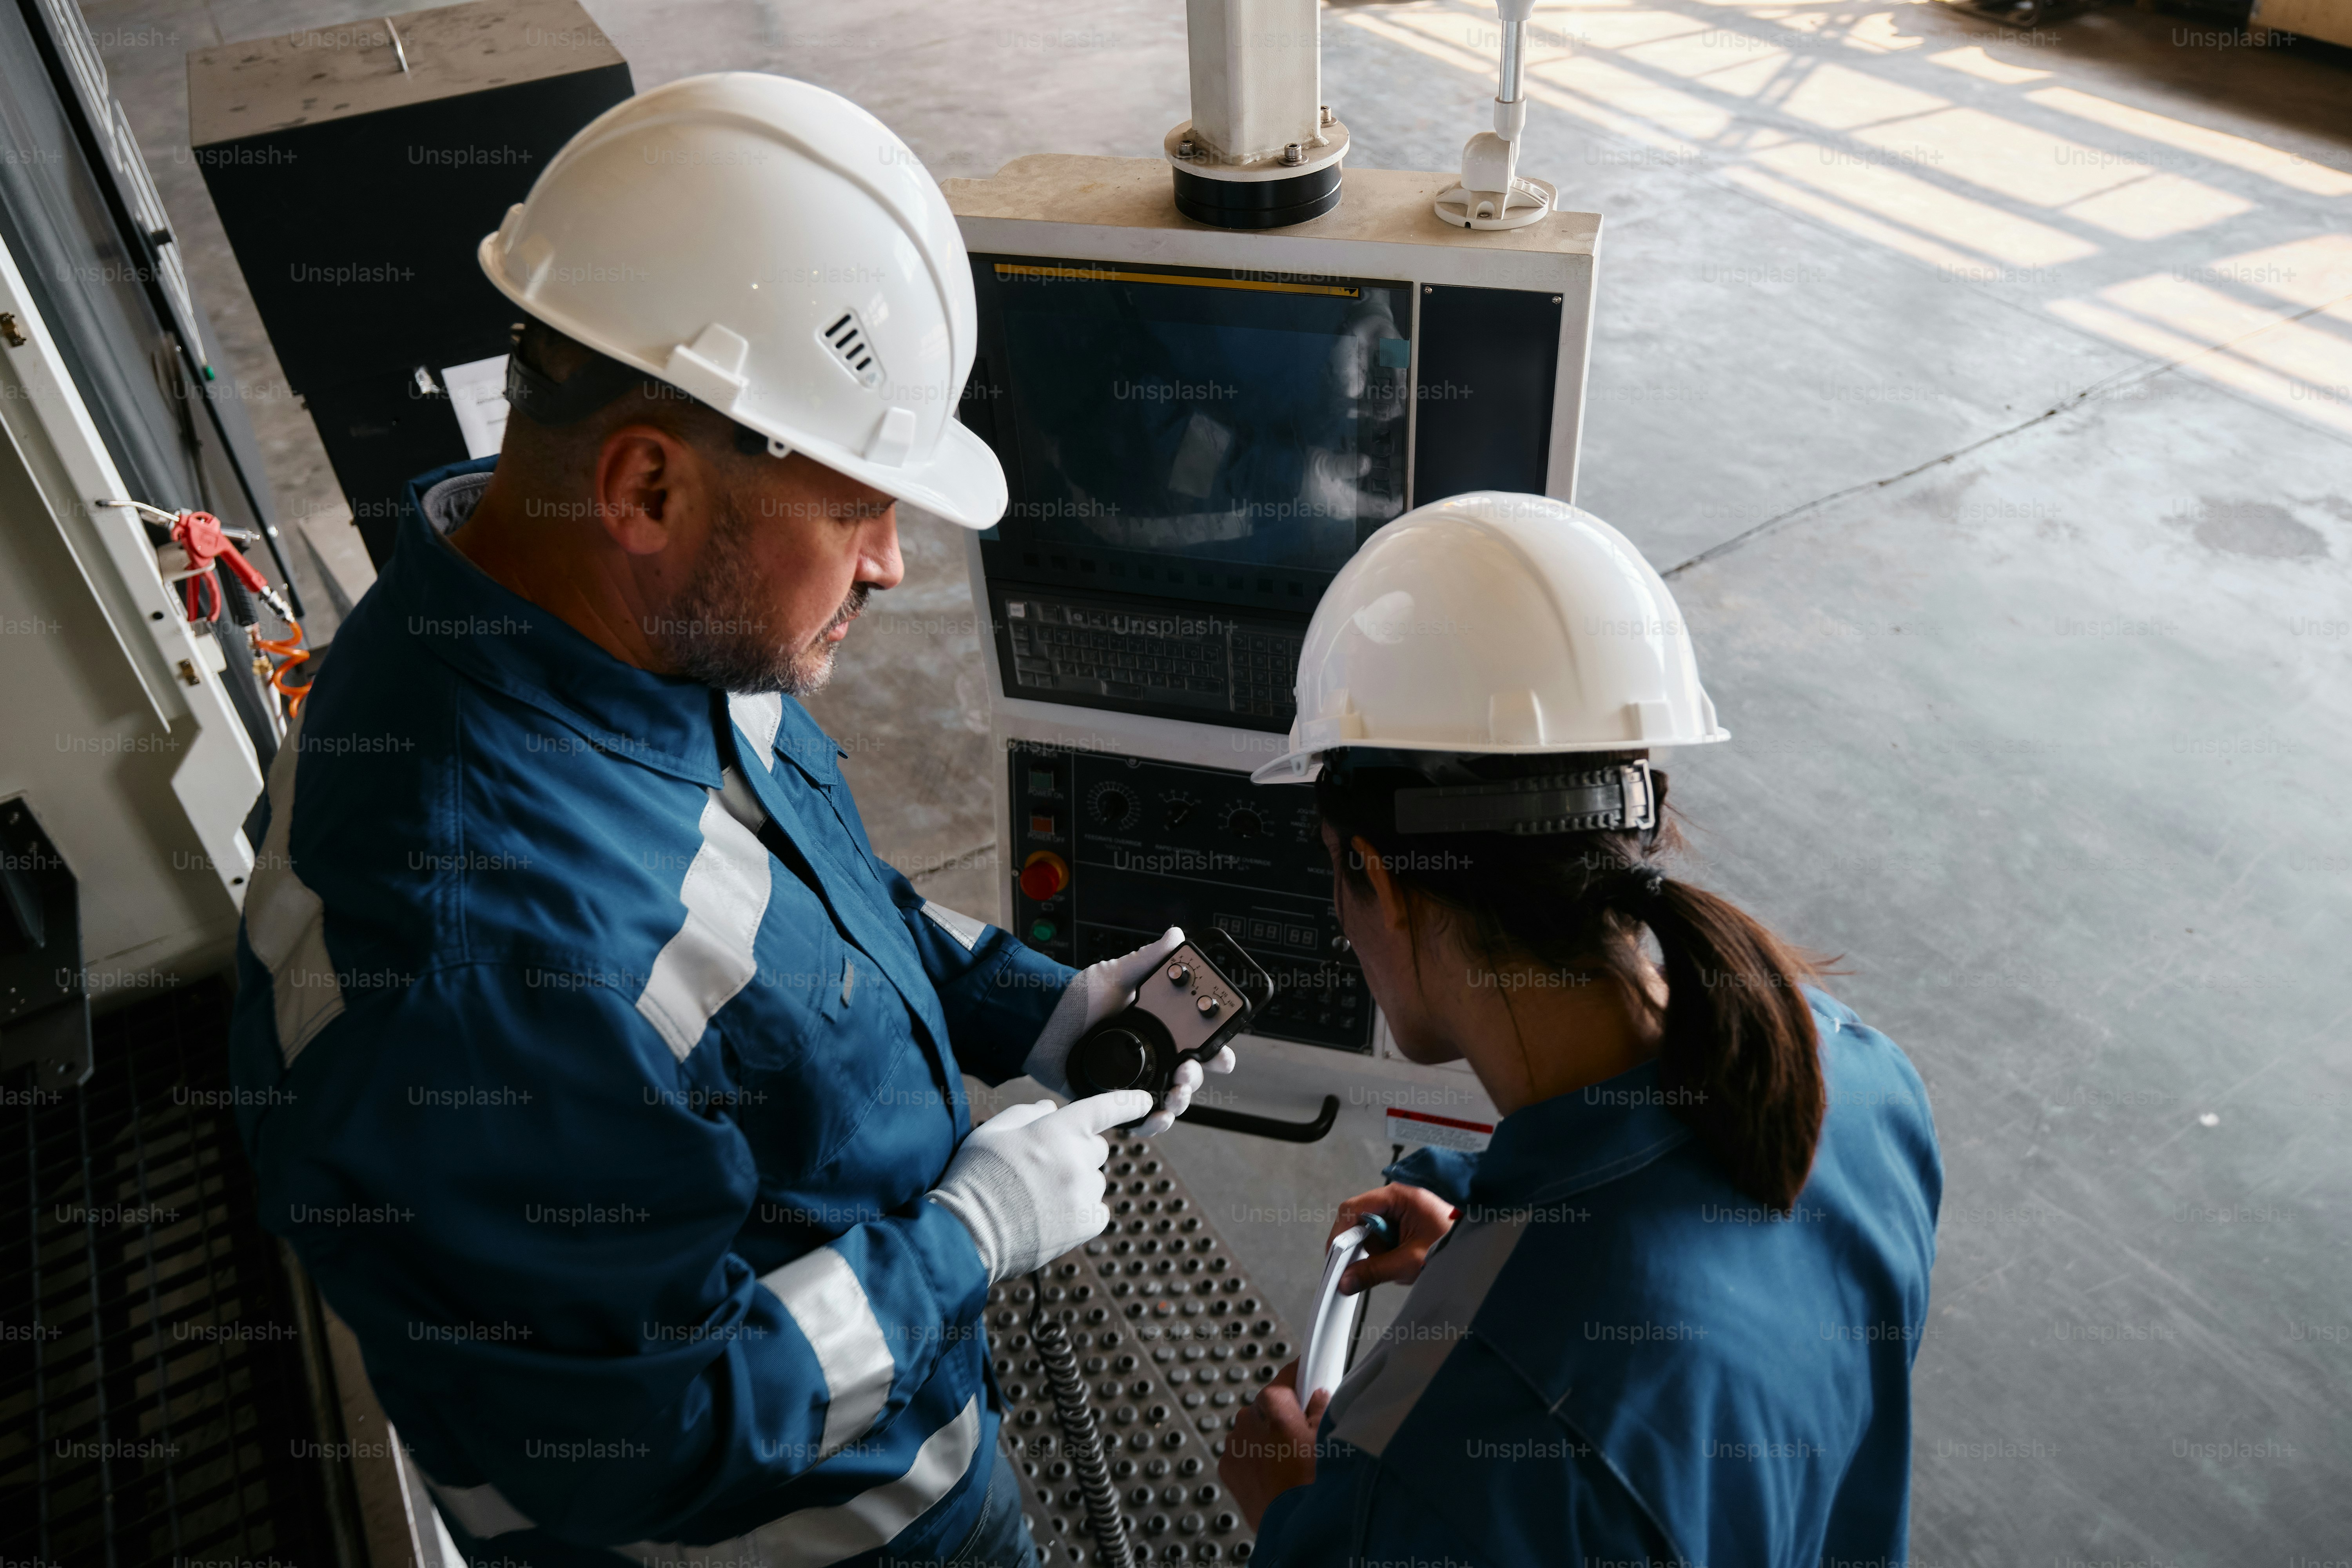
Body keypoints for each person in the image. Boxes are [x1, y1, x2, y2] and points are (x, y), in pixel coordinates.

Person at [226, 74, 1231, 1568]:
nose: (892, 566)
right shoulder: (472, 958)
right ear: (647, 485)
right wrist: (968, 1239)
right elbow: (645, 1439)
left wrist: (1028, 1008)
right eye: (857, 511)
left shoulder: (626, 625)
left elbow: (803, 903)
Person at [1216, 492, 1942, 1564]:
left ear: (1379, 875)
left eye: (1336, 874)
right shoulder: (1856, 1078)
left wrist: (1286, 1506)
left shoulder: (1465, 1473)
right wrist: (1493, 1242)